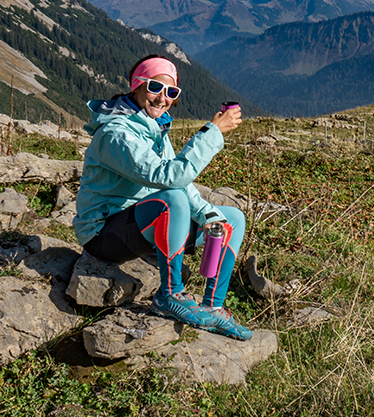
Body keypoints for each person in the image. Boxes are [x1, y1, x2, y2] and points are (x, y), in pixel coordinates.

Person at [73, 54, 251, 340]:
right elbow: (169, 178)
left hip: (144, 224)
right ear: (136, 85)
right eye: (154, 87)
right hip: (103, 234)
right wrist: (212, 132)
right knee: (172, 199)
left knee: (232, 219)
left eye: (171, 92)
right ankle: (169, 295)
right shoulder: (115, 133)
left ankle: (212, 308)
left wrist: (208, 215)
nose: (162, 98)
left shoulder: (154, 128)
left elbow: (180, 183)